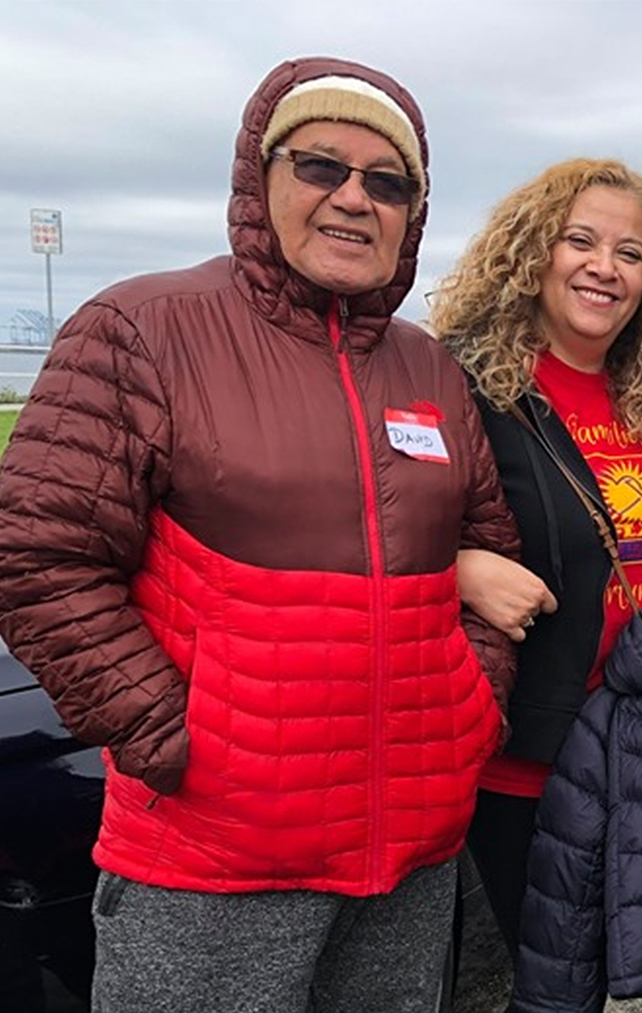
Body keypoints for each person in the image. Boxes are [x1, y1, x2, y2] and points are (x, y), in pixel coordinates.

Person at [0, 58, 518, 1013]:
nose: (354, 199)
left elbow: (493, 544)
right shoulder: (144, 329)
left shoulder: (430, 370)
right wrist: (169, 734)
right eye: (322, 165)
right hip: (212, 863)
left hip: (405, 857)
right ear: (259, 178)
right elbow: (40, 554)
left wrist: (466, 711)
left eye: (388, 182)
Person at [433, 158, 642, 1011]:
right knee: (559, 985)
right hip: (534, 758)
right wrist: (458, 570)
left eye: (630, 252)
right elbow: (370, 528)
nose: (605, 266)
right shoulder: (469, 392)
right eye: (581, 241)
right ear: (531, 253)